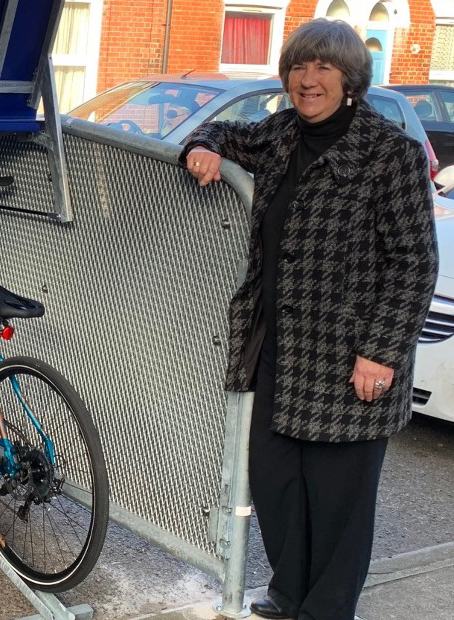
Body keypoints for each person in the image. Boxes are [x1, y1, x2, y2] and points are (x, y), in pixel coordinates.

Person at [181, 19, 437, 620]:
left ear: (350, 79)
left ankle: (325, 609)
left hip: (351, 354)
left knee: (339, 500)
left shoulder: (389, 154)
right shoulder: (281, 134)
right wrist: (203, 148)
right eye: (298, 66)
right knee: (276, 485)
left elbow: (414, 264)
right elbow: (217, 128)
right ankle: (288, 593)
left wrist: (381, 353)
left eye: (323, 67)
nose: (307, 79)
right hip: (278, 347)